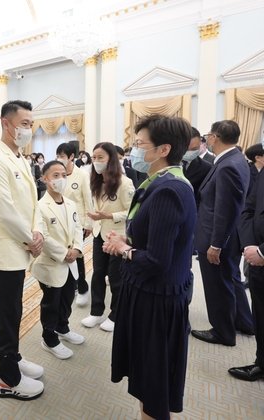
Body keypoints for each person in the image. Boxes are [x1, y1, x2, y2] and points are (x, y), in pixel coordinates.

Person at [104, 114, 197, 420]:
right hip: (150, 291)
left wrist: (124, 249)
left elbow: (158, 260)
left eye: (140, 144)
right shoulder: (158, 183)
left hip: (156, 298)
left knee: (153, 383)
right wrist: (127, 238)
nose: (133, 149)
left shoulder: (169, 190)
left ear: (163, 149)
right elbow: (156, 235)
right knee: (146, 377)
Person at [0, 100, 45, 400]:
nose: (29, 129)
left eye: (31, 124)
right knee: (7, 315)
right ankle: (6, 378)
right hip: (2, 252)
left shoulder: (18, 157)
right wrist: (31, 239)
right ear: (6, 123)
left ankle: (13, 358)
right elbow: (4, 209)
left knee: (14, 311)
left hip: (19, 247)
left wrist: (37, 230)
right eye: (24, 123)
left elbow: (32, 202)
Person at [192, 120, 254, 346]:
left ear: (215, 137)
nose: (207, 138)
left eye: (209, 134)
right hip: (227, 235)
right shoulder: (235, 159)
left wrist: (215, 244)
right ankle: (244, 322)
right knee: (231, 280)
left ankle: (223, 332)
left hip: (217, 238)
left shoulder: (228, 165)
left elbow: (225, 209)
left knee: (217, 286)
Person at [31, 160, 84, 360]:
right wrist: (64, 253)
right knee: (51, 303)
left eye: (63, 175)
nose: (61, 179)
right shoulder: (40, 206)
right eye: (55, 175)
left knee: (68, 297)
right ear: (45, 179)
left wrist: (77, 248)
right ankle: (49, 338)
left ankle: (63, 327)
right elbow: (43, 236)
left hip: (71, 262)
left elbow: (77, 227)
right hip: (51, 263)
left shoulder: (70, 203)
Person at [81, 142, 134, 332]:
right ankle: (96, 312)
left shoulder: (124, 183)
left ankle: (115, 314)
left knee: (115, 277)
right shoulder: (95, 181)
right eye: (94, 157)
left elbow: (132, 212)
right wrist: (91, 222)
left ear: (111, 159)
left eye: (100, 157)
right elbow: (95, 208)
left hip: (117, 236)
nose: (96, 161)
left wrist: (110, 216)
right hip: (99, 233)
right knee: (97, 274)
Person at [232, 162, 264, 381]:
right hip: (256, 259)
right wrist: (250, 246)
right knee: (260, 314)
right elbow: (249, 209)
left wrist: (262, 252)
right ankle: (261, 362)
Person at [55, 142, 93, 307]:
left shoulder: (82, 175)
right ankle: (72, 285)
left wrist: (89, 224)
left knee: (77, 256)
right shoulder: (57, 174)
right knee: (63, 256)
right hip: (59, 222)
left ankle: (83, 288)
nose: (59, 159)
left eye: (62, 156)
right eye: (58, 156)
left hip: (78, 223)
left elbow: (88, 199)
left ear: (71, 157)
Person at [182, 127, 212, 205]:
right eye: (186, 149)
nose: (190, 152)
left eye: (194, 149)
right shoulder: (166, 163)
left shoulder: (206, 168)